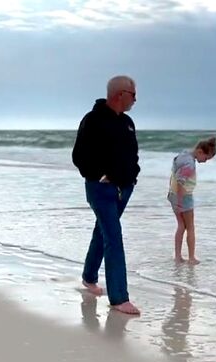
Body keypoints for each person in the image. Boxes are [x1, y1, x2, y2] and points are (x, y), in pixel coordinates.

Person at [72, 75, 141, 315]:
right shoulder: (93, 120)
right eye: (133, 94)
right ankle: (119, 298)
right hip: (101, 189)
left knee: (103, 232)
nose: (135, 99)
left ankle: (89, 277)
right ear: (120, 94)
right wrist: (101, 175)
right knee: (114, 236)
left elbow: (133, 155)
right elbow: (79, 157)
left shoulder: (128, 122)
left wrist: (133, 174)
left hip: (125, 188)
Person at [167, 137, 216, 265]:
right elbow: (180, 182)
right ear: (200, 151)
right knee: (190, 227)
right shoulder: (189, 164)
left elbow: (174, 177)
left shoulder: (183, 154)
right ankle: (191, 258)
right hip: (183, 197)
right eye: (206, 158)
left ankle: (178, 257)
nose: (205, 161)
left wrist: (175, 199)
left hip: (172, 194)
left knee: (181, 226)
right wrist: (180, 201)